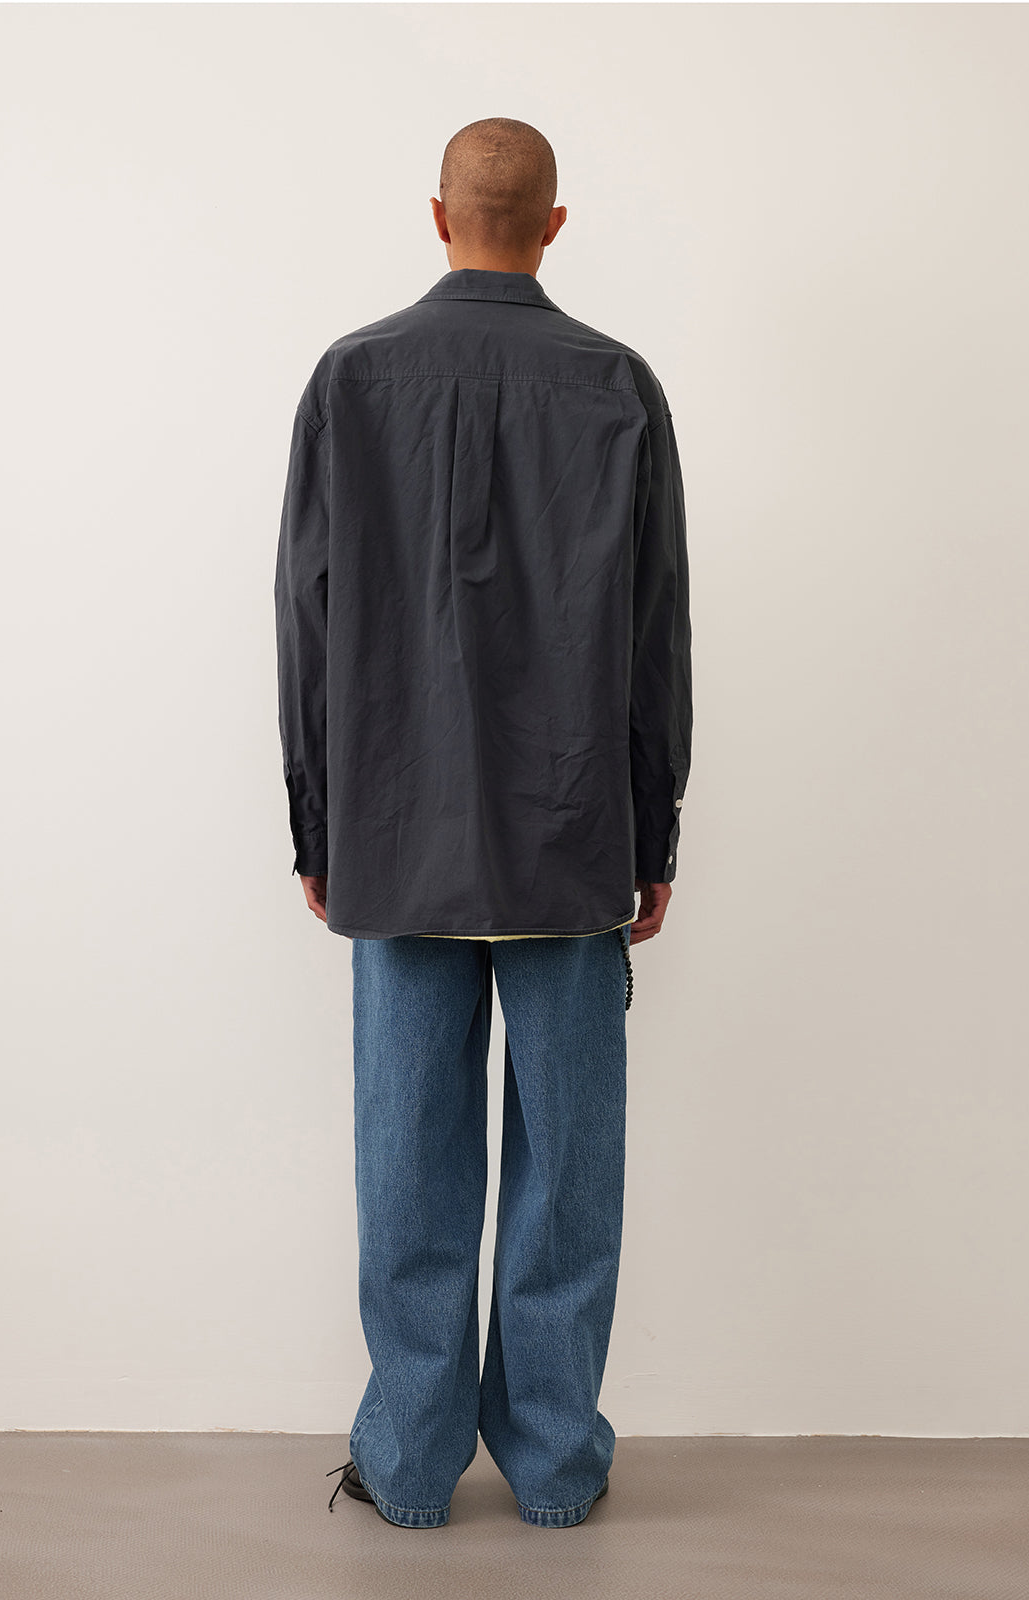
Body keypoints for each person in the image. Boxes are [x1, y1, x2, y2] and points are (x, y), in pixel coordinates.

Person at [274, 117, 693, 1529]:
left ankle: (406, 1468)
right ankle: (558, 1466)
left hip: (397, 834)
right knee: (570, 1171)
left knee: (409, 1163)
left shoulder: (351, 379)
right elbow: (657, 629)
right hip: (571, 837)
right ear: (555, 224)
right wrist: (652, 831)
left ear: (436, 213)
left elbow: (305, 617)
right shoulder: (618, 384)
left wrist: (318, 818)